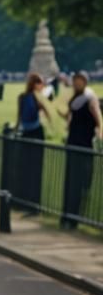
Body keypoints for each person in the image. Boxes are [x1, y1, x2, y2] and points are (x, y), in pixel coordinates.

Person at [59, 70, 102, 228]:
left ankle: (74, 218)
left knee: (80, 183)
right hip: (73, 143)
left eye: (79, 80)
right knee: (70, 183)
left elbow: (98, 119)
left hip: (83, 145)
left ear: (85, 82)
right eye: (75, 80)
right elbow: (71, 118)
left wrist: (100, 134)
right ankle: (67, 217)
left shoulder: (90, 99)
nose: (77, 83)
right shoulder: (74, 99)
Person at [14, 72, 51, 214]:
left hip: (32, 131)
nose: (42, 86)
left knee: (31, 168)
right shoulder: (31, 98)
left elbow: (48, 113)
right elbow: (21, 115)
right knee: (29, 169)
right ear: (35, 84)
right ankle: (27, 202)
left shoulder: (29, 98)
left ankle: (31, 203)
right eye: (40, 83)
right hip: (32, 132)